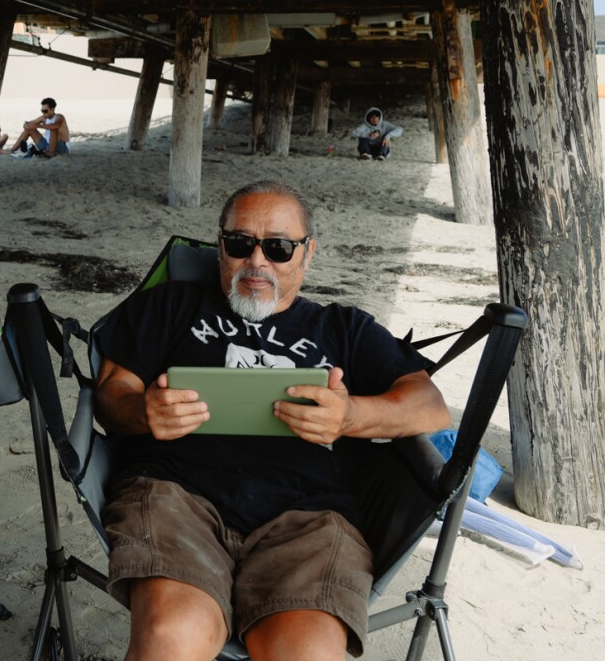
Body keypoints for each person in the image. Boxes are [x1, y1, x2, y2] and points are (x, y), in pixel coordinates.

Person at [93, 180, 449, 661]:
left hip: (311, 518)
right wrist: (142, 411)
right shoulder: (172, 305)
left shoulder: (342, 327)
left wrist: (351, 416)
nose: (257, 261)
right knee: (171, 637)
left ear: (307, 253)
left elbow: (429, 404)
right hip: (174, 495)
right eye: (240, 243)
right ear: (221, 247)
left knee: (305, 655)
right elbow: (112, 392)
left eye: (279, 247)